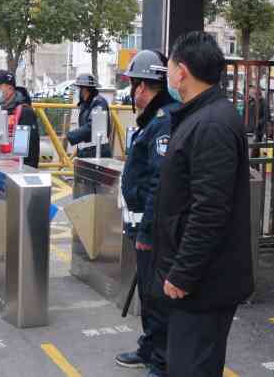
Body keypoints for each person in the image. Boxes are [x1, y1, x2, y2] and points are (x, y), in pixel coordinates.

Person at [151, 31, 253, 377]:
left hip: (204, 285)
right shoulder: (201, 116)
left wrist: (182, 274)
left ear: (182, 72)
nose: (167, 74)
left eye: (169, 67)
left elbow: (209, 211)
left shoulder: (211, 124)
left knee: (192, 367)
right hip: (198, 283)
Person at [114, 50, 179, 377]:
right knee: (148, 295)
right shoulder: (154, 119)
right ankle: (150, 347)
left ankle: (161, 361)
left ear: (142, 86)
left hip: (152, 230)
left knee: (156, 297)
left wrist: (147, 232)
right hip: (143, 226)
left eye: (133, 85)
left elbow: (159, 182)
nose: (132, 93)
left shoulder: (163, 121)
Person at [66, 73, 112, 158]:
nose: (79, 92)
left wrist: (72, 135)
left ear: (85, 89)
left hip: (97, 152)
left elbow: (93, 126)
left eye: (80, 89)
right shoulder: (87, 104)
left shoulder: (99, 103)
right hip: (88, 150)